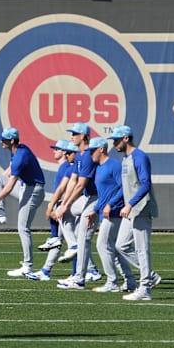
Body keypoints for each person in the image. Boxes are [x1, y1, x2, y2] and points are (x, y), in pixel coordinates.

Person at [0, 127, 45, 277]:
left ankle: (27, 266)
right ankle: (0, 214)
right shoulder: (17, 150)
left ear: (11, 141)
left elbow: (9, 187)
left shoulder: (21, 156)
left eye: (3, 139)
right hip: (25, 187)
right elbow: (9, 170)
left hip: (33, 190)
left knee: (23, 228)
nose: (0, 141)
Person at [109, 125, 161, 300]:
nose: (114, 143)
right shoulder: (125, 158)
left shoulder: (139, 157)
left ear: (126, 138)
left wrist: (130, 204)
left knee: (142, 249)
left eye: (116, 140)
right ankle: (150, 275)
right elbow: (126, 188)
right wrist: (114, 203)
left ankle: (145, 288)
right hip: (131, 211)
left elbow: (145, 184)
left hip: (141, 209)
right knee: (121, 245)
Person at [85, 137, 137, 293]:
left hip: (114, 212)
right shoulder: (99, 168)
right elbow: (104, 194)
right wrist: (96, 209)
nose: (90, 154)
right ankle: (130, 281)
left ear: (101, 149)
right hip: (105, 212)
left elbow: (123, 188)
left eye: (92, 150)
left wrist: (110, 205)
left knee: (102, 245)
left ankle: (112, 282)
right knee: (113, 248)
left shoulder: (113, 165)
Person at [55, 122, 102, 289]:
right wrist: (63, 204)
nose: (72, 136)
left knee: (88, 239)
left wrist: (66, 204)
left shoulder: (88, 155)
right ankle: (73, 245)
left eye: (74, 133)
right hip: (87, 198)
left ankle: (80, 278)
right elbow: (73, 181)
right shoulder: (80, 155)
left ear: (83, 136)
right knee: (61, 211)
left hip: (97, 198)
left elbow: (81, 184)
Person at [25, 140, 79, 281]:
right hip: (66, 206)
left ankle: (83, 272)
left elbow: (66, 189)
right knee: (65, 242)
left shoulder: (68, 167)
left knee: (75, 244)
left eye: (57, 149)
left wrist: (57, 206)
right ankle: (46, 271)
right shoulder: (66, 167)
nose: (54, 151)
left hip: (71, 207)